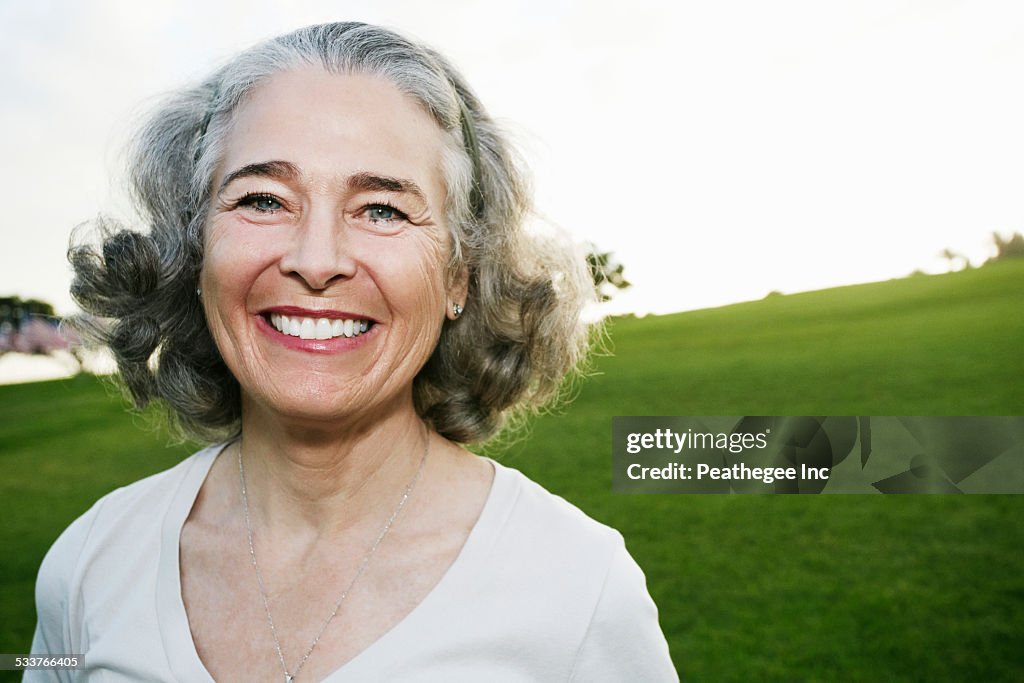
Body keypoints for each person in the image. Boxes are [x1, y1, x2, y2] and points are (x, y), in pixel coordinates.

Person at [28, 22, 678, 682]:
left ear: (459, 274)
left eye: (383, 209)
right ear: (195, 253)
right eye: (263, 199)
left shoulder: (579, 592)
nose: (316, 260)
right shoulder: (87, 566)